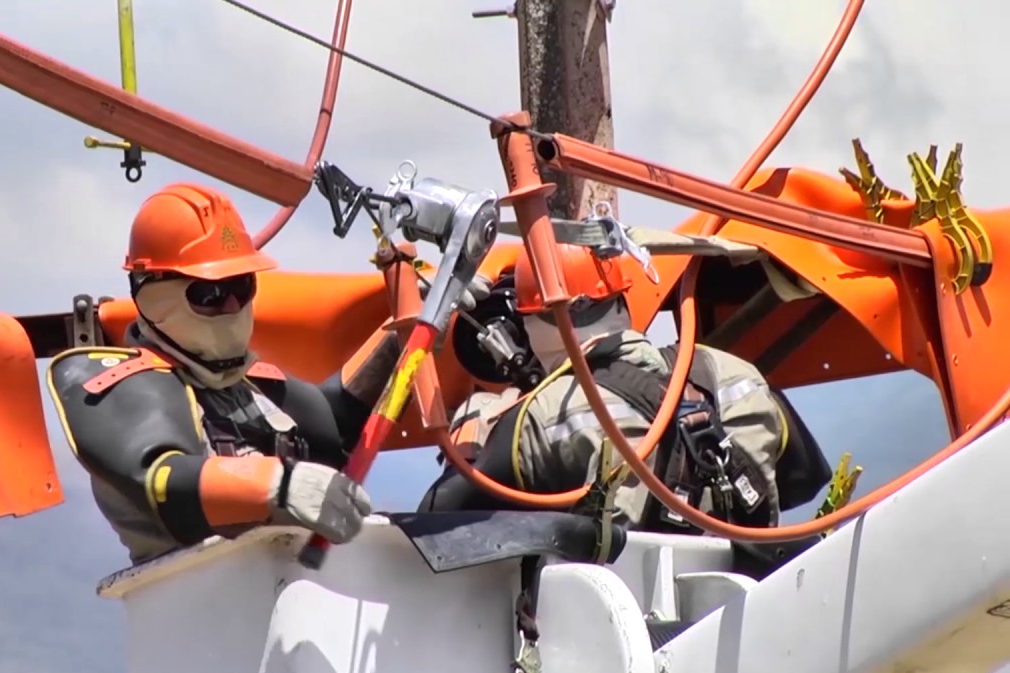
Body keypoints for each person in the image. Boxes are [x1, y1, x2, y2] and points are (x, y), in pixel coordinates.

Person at [47, 182, 403, 564]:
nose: (232, 305)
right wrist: (278, 486)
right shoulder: (123, 386)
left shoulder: (252, 385)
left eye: (242, 286)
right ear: (152, 293)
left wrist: (404, 334)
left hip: (294, 595)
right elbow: (160, 480)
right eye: (210, 293)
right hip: (201, 605)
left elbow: (337, 426)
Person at [420, 241, 836, 549]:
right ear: (620, 300)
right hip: (749, 605)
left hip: (627, 628)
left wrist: (474, 434)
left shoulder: (540, 416)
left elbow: (438, 523)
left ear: (536, 322)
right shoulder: (732, 371)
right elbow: (804, 480)